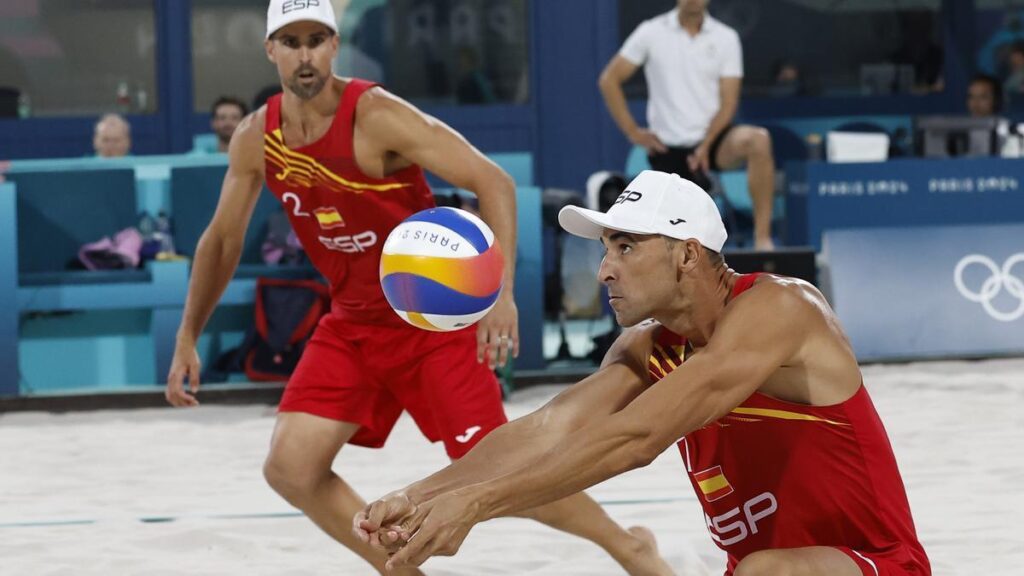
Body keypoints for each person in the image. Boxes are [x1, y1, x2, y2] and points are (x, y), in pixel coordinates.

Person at [163, 2, 672, 575]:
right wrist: (188, 335)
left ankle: (626, 545)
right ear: (270, 50)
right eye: (289, 40)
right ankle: (398, 567)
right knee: (290, 468)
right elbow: (221, 241)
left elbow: (493, 180)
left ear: (334, 46)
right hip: (352, 323)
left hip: (426, 320)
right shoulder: (257, 138)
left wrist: (499, 294)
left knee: (496, 469)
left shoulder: (376, 116)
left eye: (315, 39)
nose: (303, 53)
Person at [356, 171, 932, 576]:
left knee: (766, 570)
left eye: (626, 247)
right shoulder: (644, 346)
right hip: (764, 568)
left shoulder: (781, 309)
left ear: (686, 253)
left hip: (876, 565)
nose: (604, 270)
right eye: (606, 248)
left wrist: (477, 506)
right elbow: (549, 429)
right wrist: (419, 495)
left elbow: (638, 438)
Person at [599, 0, 777, 250]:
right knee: (669, 242)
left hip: (714, 142)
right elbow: (609, 80)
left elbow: (728, 103)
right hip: (667, 148)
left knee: (758, 140)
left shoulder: (726, 38)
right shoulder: (651, 31)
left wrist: (706, 145)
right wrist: (633, 132)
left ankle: (762, 240)